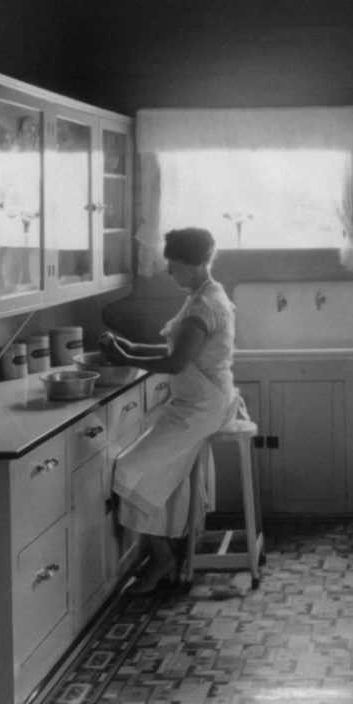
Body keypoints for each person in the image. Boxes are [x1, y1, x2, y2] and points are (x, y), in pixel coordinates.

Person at [103, 227, 241, 594]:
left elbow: (178, 363)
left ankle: (161, 558)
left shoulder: (202, 306)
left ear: (188, 263)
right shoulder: (207, 293)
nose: (168, 271)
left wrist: (126, 356)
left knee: (130, 469)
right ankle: (170, 550)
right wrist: (131, 348)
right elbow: (178, 353)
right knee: (155, 474)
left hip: (201, 408)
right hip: (199, 401)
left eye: (171, 263)